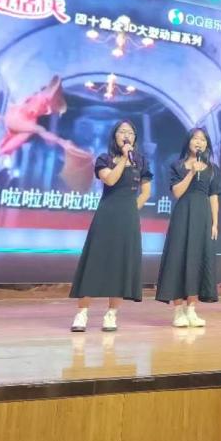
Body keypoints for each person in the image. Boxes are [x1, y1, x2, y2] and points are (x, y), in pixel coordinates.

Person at [69, 120, 151, 332]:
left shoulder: (141, 162)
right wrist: (123, 158)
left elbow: (146, 192)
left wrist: (132, 209)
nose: (126, 135)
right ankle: (82, 313)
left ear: (135, 138)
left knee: (121, 264)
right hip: (106, 214)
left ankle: (111, 314)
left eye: (130, 132)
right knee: (95, 261)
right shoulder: (104, 159)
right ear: (115, 136)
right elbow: (111, 180)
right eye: (122, 132)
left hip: (128, 217)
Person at [156, 128, 221, 327]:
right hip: (183, 214)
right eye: (195, 138)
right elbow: (177, 192)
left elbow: (213, 196)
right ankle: (178, 311)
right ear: (188, 142)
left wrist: (215, 222)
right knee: (178, 258)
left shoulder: (213, 169)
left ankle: (191, 310)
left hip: (203, 216)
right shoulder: (177, 165)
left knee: (198, 259)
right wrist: (192, 172)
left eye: (203, 139)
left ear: (207, 145)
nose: (199, 142)